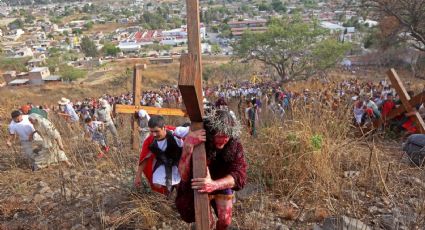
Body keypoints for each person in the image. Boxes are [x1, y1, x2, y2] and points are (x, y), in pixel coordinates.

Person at [176, 110, 247, 230]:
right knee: (206, 223)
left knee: (225, 221)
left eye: (227, 137)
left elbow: (240, 175)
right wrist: (187, 148)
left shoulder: (234, 145)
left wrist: (214, 184)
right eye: (219, 136)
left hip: (219, 184)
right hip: (198, 185)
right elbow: (183, 175)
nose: (223, 140)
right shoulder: (200, 142)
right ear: (212, 133)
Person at [134, 115, 190, 194]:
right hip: (162, 164)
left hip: (178, 164)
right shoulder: (150, 141)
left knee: (180, 186)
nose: (154, 134)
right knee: (158, 186)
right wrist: (138, 176)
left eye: (156, 131)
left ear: (164, 127)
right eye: (151, 131)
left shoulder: (175, 132)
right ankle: (165, 201)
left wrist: (196, 134)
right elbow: (144, 158)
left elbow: (191, 130)